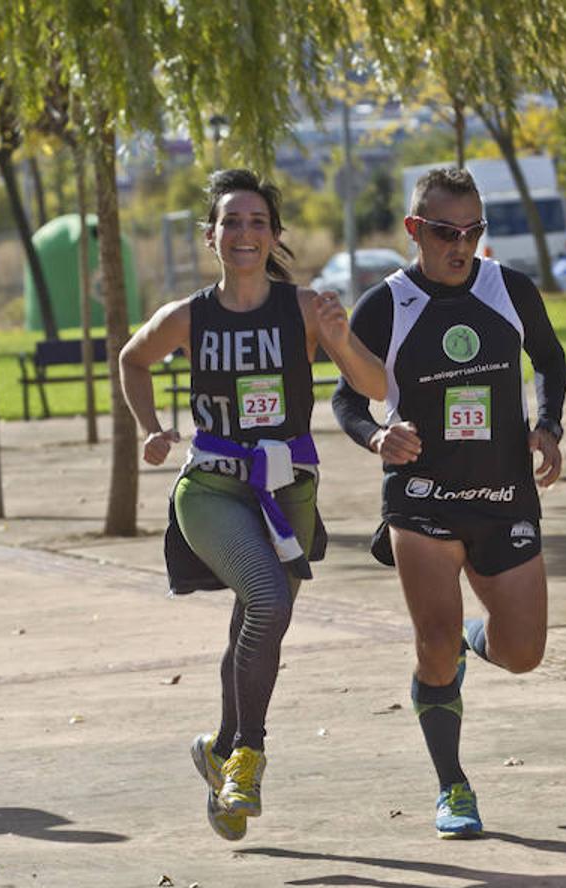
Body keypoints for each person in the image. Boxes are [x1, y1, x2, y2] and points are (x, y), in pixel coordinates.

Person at [119, 169, 386, 841]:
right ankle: (248, 757)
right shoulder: (188, 316)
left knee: (257, 616)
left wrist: (340, 335)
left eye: (257, 222)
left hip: (289, 487)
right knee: (268, 601)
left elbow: (376, 385)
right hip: (211, 487)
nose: (244, 233)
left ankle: (218, 747)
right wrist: (149, 429)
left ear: (273, 236)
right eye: (231, 222)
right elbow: (131, 359)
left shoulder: (302, 310)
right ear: (211, 237)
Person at [331, 167, 566, 838]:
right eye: (444, 232)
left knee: (523, 654)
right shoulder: (388, 303)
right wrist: (377, 434)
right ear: (415, 231)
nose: (459, 246)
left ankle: (469, 642)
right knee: (432, 643)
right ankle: (453, 785)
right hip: (423, 497)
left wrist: (547, 425)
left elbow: (550, 360)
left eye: (472, 231)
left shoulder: (509, 289)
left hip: (503, 495)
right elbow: (346, 397)